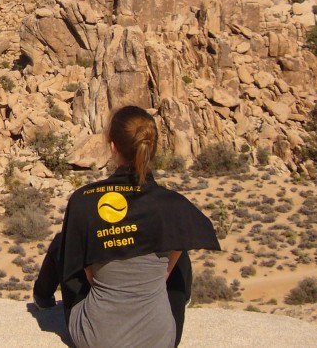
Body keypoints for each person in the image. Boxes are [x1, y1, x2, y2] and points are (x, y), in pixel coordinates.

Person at [32, 105, 221, 348]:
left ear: (113, 147)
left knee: (66, 241)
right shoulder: (171, 204)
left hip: (94, 339)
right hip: (159, 340)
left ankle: (42, 296)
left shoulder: (84, 200)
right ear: (151, 148)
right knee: (178, 243)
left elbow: (85, 275)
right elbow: (172, 264)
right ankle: (180, 301)